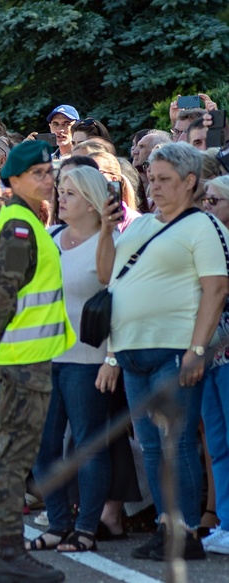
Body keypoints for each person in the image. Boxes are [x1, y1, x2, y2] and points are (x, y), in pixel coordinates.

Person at [96, 142, 229, 561]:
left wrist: (196, 348)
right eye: (151, 180)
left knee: (178, 444)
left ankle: (186, 532)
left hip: (174, 350)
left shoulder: (204, 226)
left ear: (190, 182)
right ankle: (167, 527)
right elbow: (107, 277)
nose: (155, 188)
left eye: (165, 180)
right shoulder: (137, 226)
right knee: (154, 447)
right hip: (133, 352)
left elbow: (217, 288)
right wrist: (104, 230)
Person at [0, 140, 76, 583]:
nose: (48, 178)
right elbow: (0, 292)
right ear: (13, 181)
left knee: (12, 454)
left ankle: (4, 555)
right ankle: (9, 553)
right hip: (21, 360)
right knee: (14, 457)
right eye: (38, 173)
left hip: (22, 357)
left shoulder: (22, 220)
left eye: (49, 171)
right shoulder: (20, 226)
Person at [28, 166, 115, 554]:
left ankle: (86, 527)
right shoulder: (50, 237)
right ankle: (59, 522)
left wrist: (113, 358)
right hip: (45, 357)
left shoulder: (108, 239)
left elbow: (113, 289)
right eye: (60, 191)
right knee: (43, 446)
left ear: (94, 202)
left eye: (71, 193)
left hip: (88, 359)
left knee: (86, 445)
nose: (61, 198)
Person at [200, 175, 229, 555]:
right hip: (205, 354)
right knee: (218, 442)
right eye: (204, 201)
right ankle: (224, 519)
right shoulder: (206, 242)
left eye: (215, 201)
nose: (207, 207)